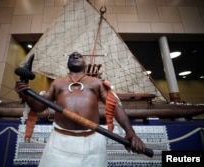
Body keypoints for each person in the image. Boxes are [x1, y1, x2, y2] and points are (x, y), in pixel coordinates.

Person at [15, 52, 146, 167]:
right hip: (60, 142)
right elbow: (39, 106)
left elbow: (114, 105)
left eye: (79, 56)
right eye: (72, 56)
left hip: (92, 143)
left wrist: (130, 131)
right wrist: (25, 93)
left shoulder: (96, 82)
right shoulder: (57, 83)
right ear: (67, 64)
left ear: (85, 63)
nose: (75, 56)